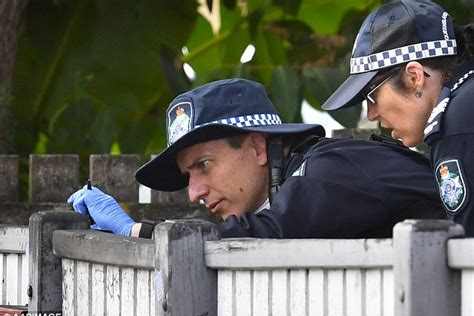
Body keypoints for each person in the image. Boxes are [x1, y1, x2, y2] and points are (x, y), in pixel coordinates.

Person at [68, 78, 444, 239]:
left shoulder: (326, 169)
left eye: (203, 164)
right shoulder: (297, 182)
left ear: (259, 148)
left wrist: (136, 231)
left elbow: (272, 231)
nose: (194, 193)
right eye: (188, 175)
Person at [321, 0, 474, 236]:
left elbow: (467, 251)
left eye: (371, 96)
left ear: (414, 77)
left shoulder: (456, 123)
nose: (372, 115)